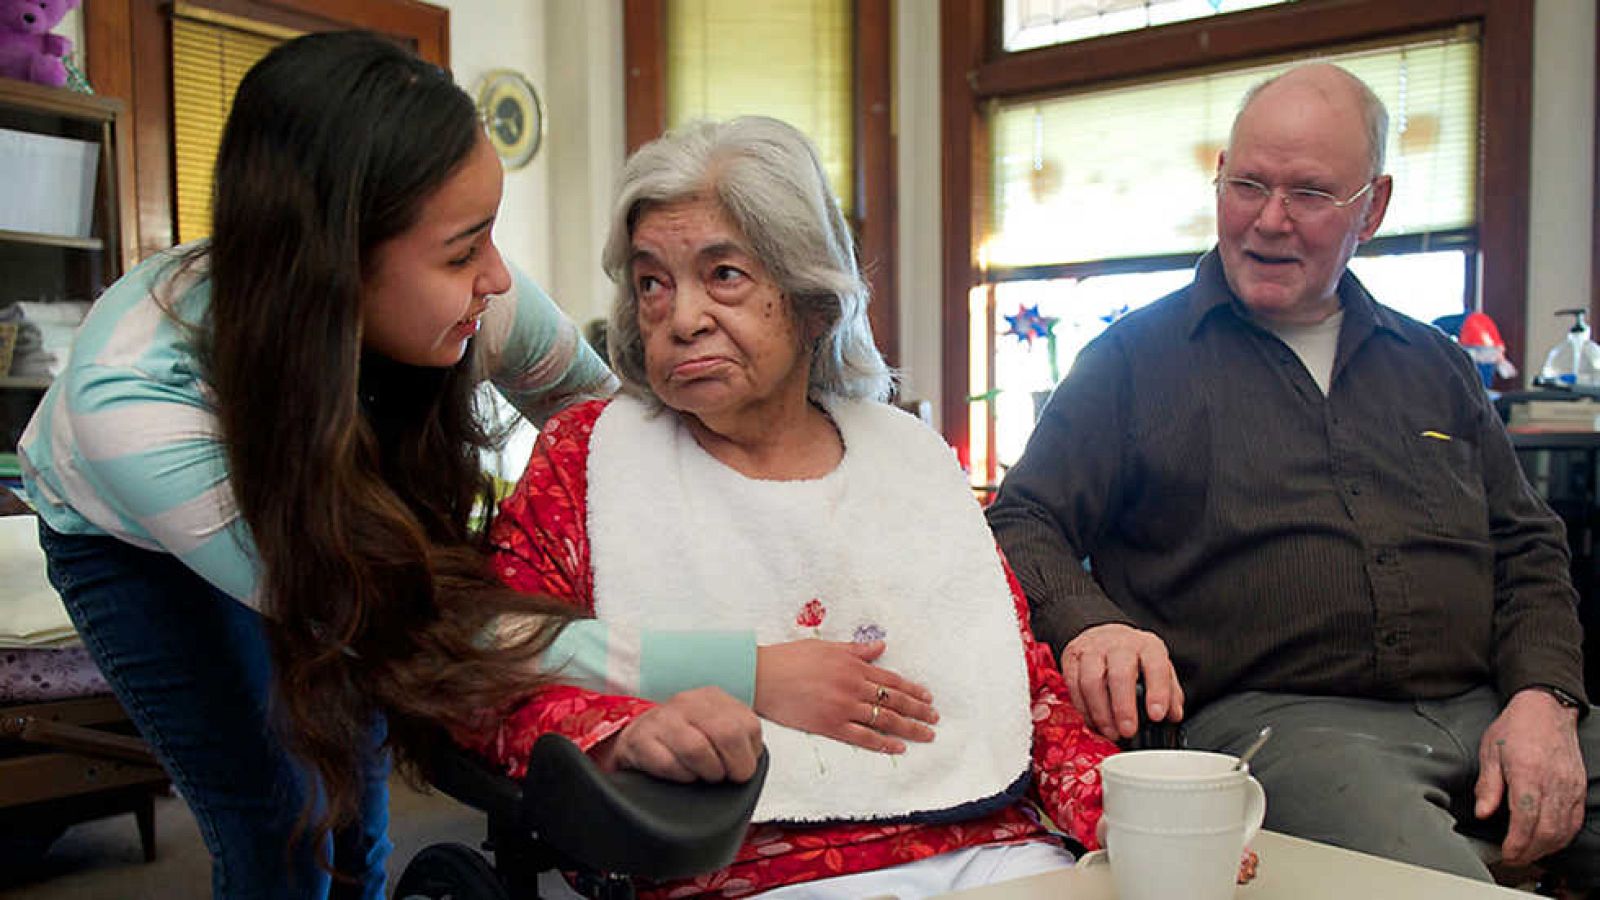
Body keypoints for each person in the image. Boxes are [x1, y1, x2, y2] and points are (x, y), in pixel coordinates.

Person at [18, 31, 776, 899]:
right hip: (133, 550)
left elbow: (599, 425)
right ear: (335, 269)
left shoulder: (478, 301)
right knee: (279, 814)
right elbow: (402, 625)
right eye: (462, 251)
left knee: (357, 780)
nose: (497, 277)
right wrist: (747, 666)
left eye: (488, 235)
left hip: (323, 510)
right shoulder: (136, 397)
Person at [467, 116, 1119, 899]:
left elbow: (1019, 687)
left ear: (812, 300)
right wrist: (621, 733)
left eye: (725, 275)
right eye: (652, 282)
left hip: (988, 846)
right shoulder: (590, 458)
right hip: (739, 866)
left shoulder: (908, 458)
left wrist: (1111, 807)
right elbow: (488, 670)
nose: (680, 319)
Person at [986, 62, 1599, 893]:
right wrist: (1090, 622)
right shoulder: (1132, 363)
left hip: (1492, 704)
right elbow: (1023, 517)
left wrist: (1545, 698)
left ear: (1371, 208)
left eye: (1309, 194)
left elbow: (1528, 545)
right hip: (1284, 731)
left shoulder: (1437, 364)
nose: (1268, 222)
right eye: (1247, 185)